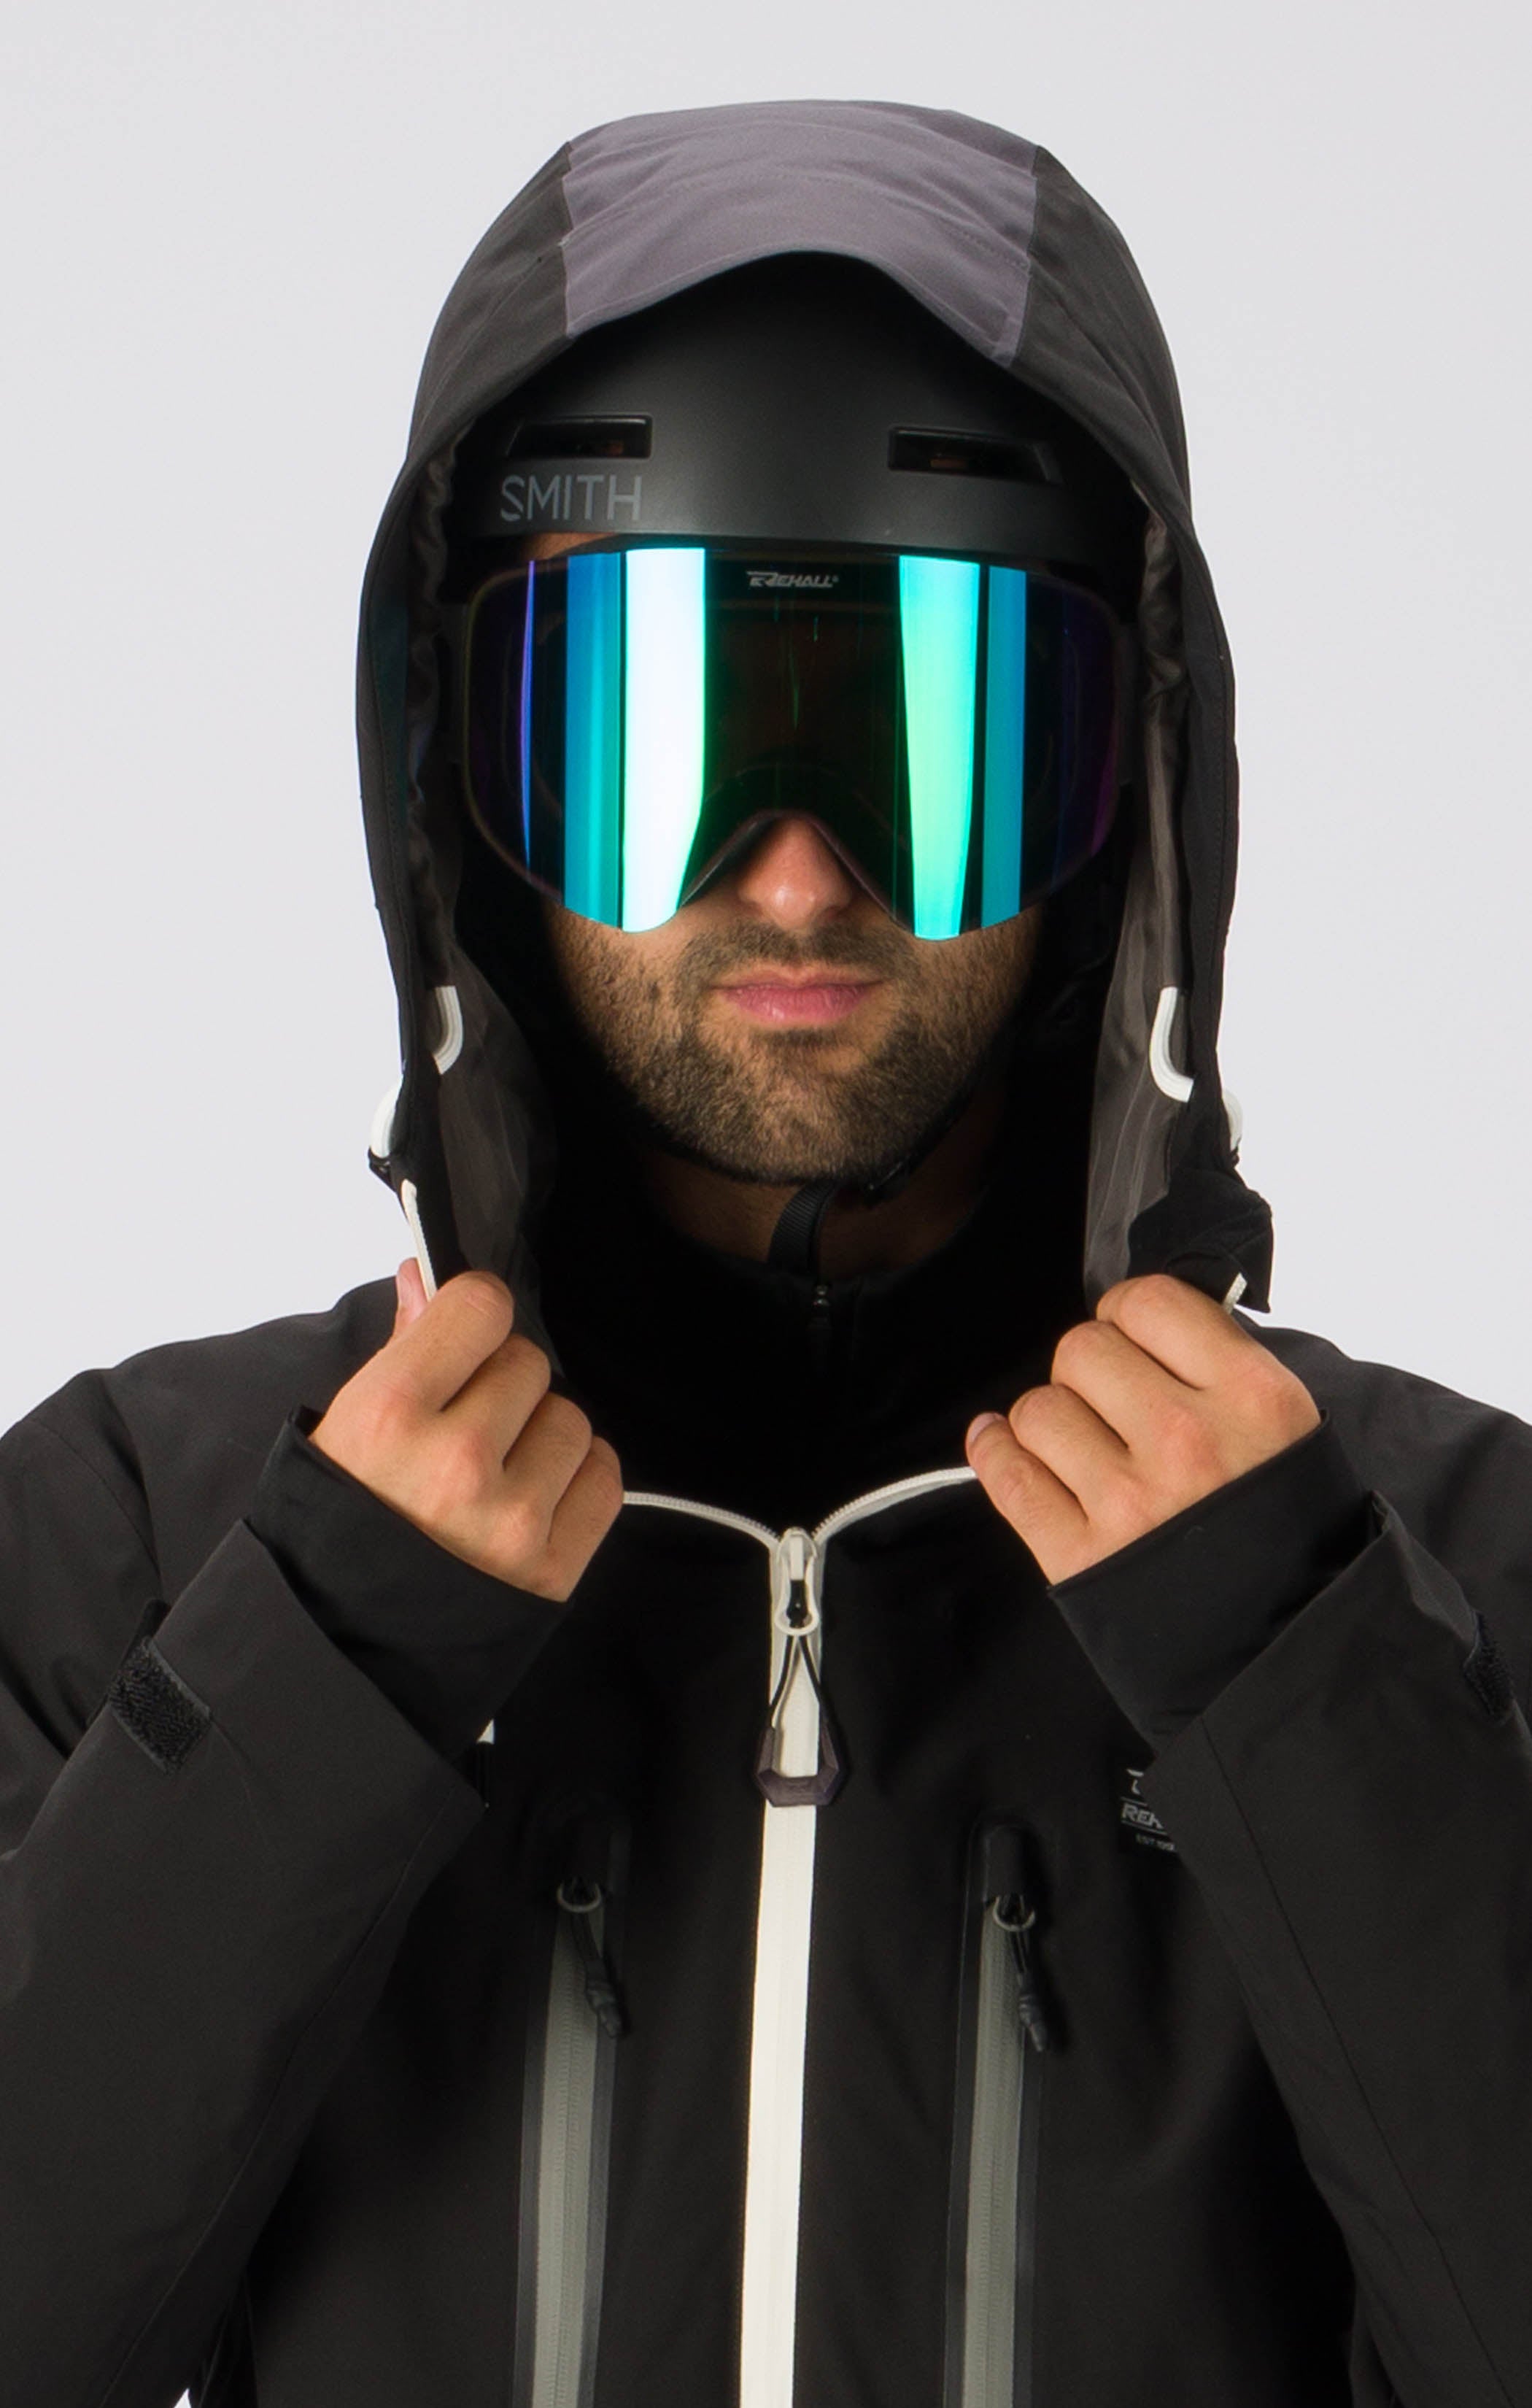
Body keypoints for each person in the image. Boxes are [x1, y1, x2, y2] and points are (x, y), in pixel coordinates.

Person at [1, 95, 1528, 2408]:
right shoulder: (139, 1540)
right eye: (661, 734)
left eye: (931, 742)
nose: (798, 874)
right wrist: (320, 1667)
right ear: (460, 794)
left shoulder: (1435, 1570)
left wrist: (1305, 1692)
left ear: (1127, 798)